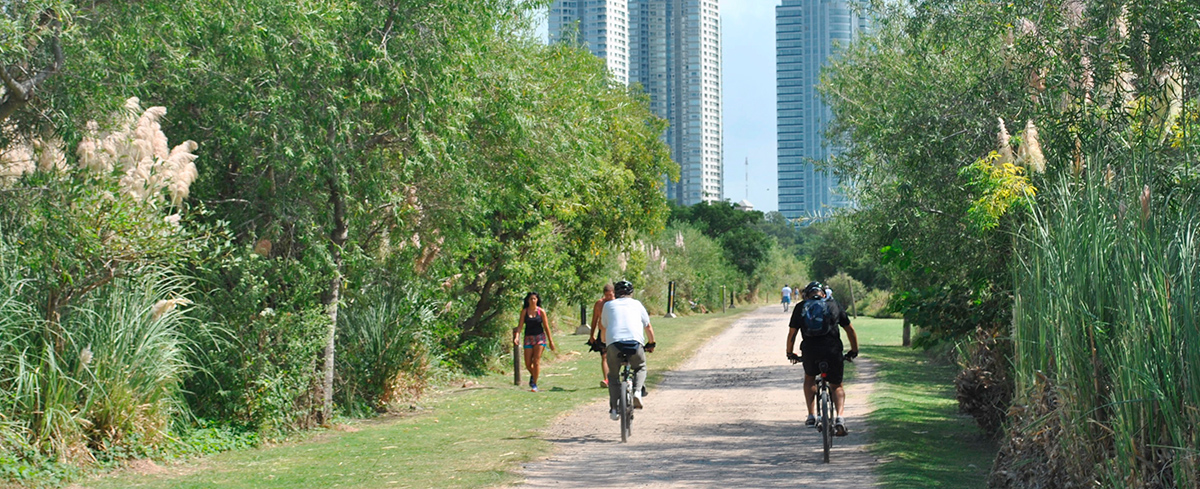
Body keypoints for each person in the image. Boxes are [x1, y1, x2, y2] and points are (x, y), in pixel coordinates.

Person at [786, 281, 859, 436]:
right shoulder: (834, 305)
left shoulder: (801, 307)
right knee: (836, 386)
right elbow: (850, 330)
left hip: (810, 351)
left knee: (810, 379)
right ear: (824, 294)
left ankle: (811, 416)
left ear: (806, 295)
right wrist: (853, 350)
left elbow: (792, 334)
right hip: (832, 350)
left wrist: (790, 353)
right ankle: (839, 418)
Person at [597, 280, 656, 420]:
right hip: (635, 343)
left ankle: (613, 409)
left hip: (614, 344)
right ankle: (637, 392)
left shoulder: (608, 305)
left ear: (615, 293)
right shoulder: (637, 304)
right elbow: (648, 326)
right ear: (631, 293)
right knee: (640, 366)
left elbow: (603, 327)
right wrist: (651, 343)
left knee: (612, 376)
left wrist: (604, 342)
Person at [513, 292, 556, 392]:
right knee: (528, 363)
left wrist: (551, 341)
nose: (533, 301)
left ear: (537, 300)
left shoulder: (541, 311)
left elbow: (546, 327)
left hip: (539, 338)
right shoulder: (524, 311)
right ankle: (534, 375)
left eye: (534, 299)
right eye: (531, 299)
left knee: (536, 361)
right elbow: (520, 326)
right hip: (528, 338)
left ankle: (534, 384)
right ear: (528, 300)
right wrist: (517, 337)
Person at [587, 283, 616, 388]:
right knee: (604, 356)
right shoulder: (599, 304)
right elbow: (595, 319)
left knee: (615, 355)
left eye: (610, 295)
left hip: (614, 332)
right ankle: (607, 379)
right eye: (606, 295)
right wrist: (592, 335)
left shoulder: (617, 303)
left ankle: (615, 377)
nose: (608, 297)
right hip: (602, 332)